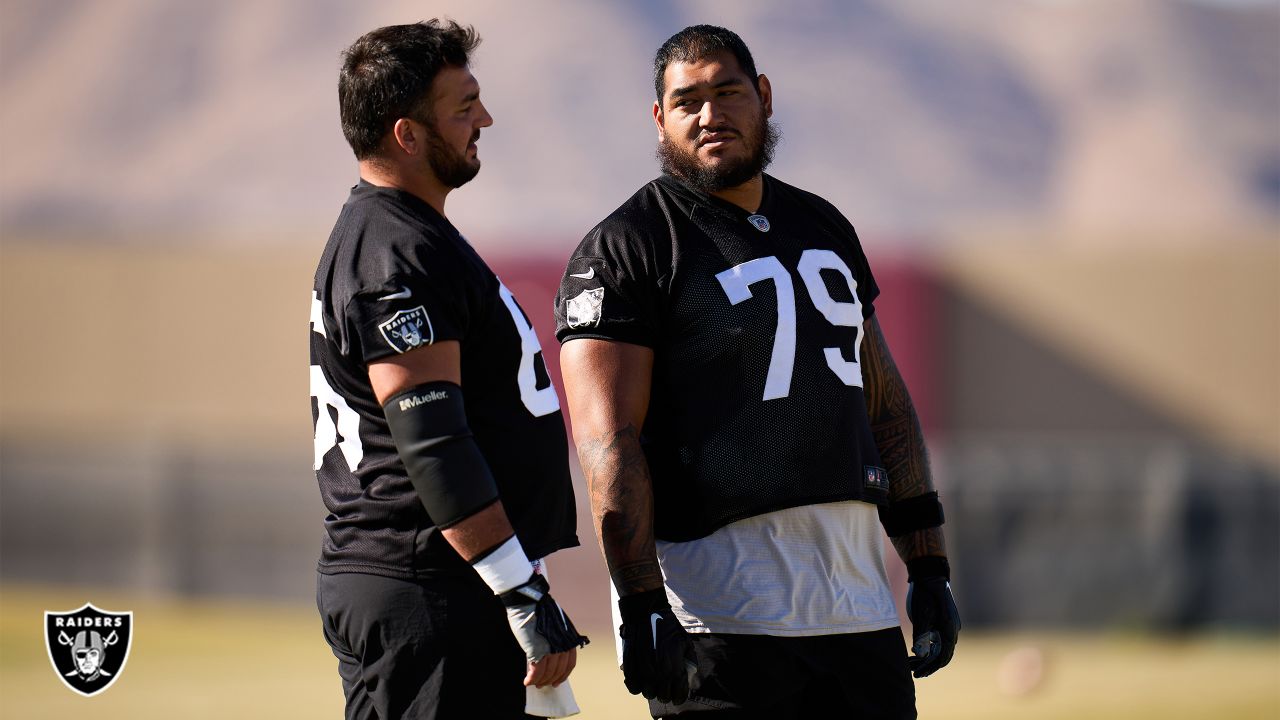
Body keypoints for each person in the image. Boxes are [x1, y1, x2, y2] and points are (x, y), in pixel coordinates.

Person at [554, 24, 959, 719]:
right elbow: (607, 444)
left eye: (727, 92)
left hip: (857, 613)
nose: (709, 114)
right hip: (721, 622)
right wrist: (642, 600)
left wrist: (928, 565)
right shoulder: (629, 245)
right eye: (687, 101)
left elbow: (884, 407)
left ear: (763, 97)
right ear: (659, 119)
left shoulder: (824, 225)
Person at [309, 21, 587, 720]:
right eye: (463, 107)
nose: (484, 120)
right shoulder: (396, 251)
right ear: (407, 135)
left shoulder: (403, 234)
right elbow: (430, 437)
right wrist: (518, 588)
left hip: (441, 583)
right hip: (429, 588)